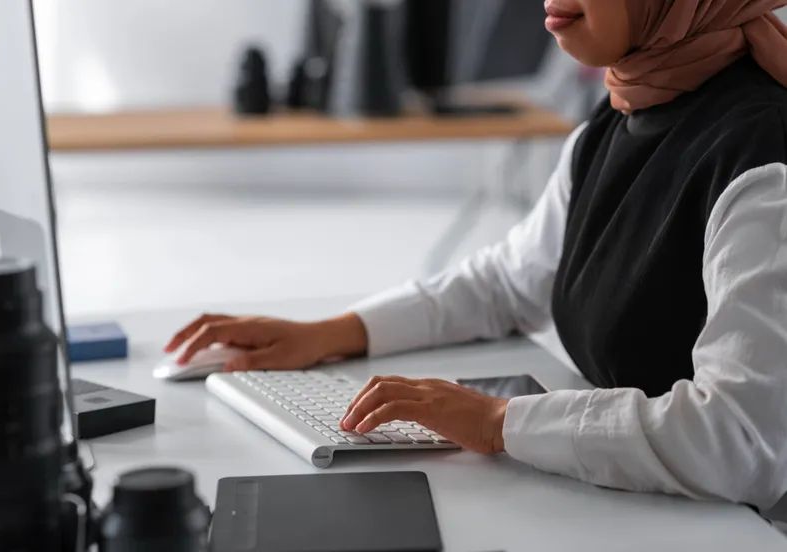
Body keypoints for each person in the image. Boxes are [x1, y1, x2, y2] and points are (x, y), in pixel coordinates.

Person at [166, 0, 787, 509]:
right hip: (642, 509)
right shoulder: (620, 115)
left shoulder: (764, 161)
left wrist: (499, 422)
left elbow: (738, 439)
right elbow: (507, 281)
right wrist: (331, 333)